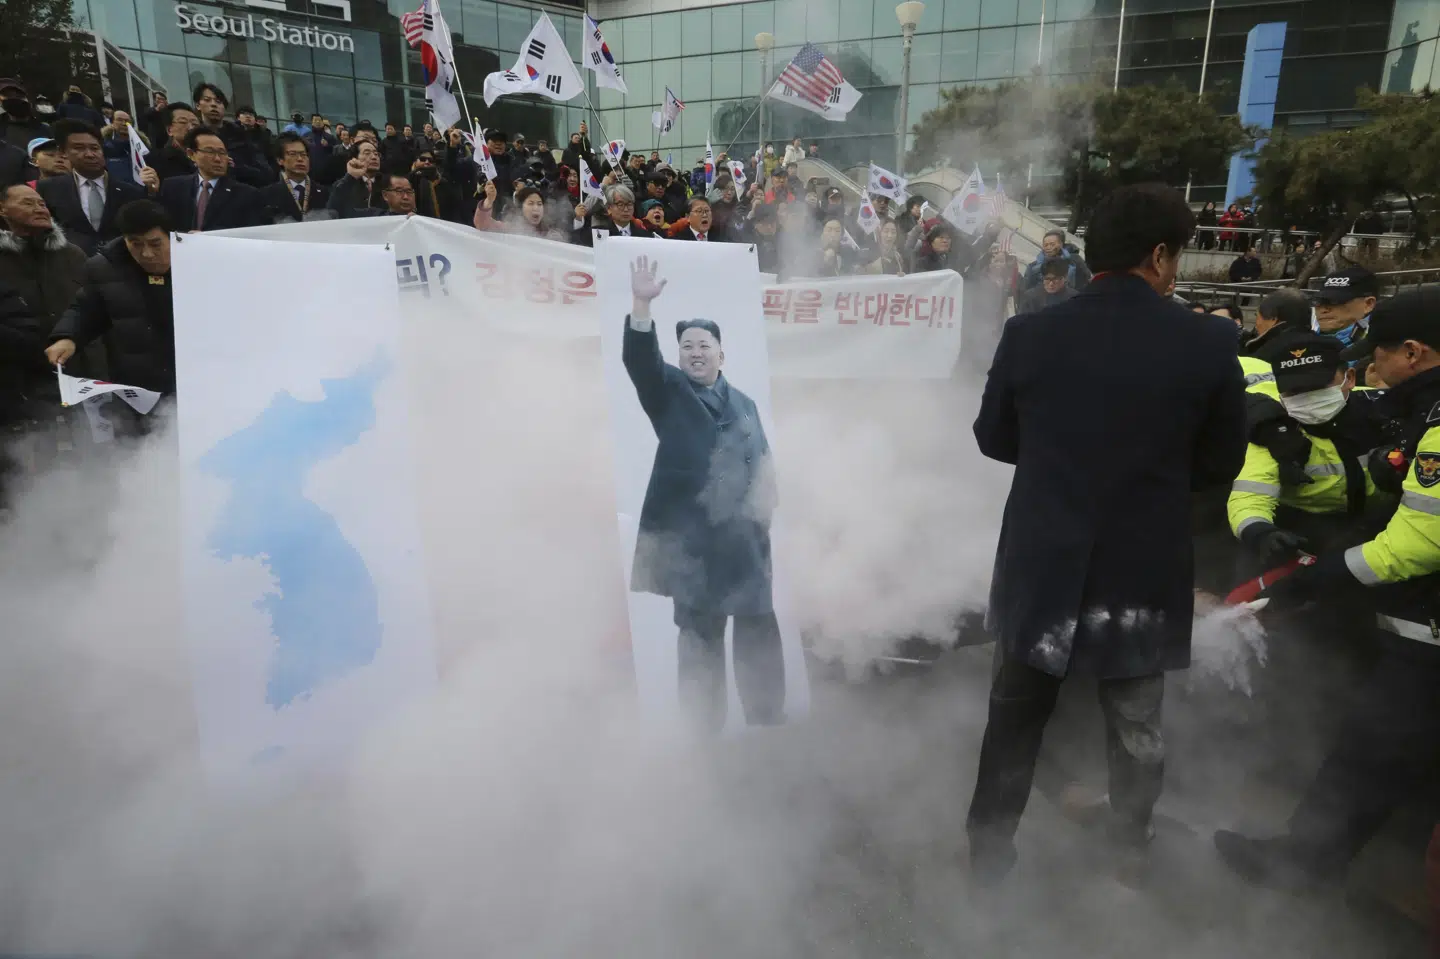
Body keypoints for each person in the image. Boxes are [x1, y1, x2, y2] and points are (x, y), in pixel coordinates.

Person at [967, 182, 1247, 884]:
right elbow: (1220, 464)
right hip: (1141, 569)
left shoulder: (1030, 332)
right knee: (1136, 725)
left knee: (1014, 718)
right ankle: (1129, 852)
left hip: (1042, 563)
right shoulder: (1210, 341)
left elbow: (994, 438)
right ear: (1160, 255)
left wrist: (1059, 460)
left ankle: (988, 858)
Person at [1213, 288, 1440, 891]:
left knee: (1375, 740)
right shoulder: (1409, 411)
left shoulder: (1412, 417)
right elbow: (1246, 390)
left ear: (1412, 353)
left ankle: (1305, 866)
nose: (1373, 368)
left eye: (1377, 356)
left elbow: (1416, 544)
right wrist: (1262, 529)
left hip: (1411, 611)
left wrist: (1319, 577)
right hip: (1376, 587)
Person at [621, 255, 783, 732]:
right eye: (687, 346)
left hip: (746, 546)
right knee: (699, 639)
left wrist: (765, 515)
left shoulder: (746, 403)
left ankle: (767, 722)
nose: (695, 352)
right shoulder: (668, 391)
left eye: (704, 345)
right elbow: (641, 362)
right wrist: (641, 305)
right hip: (693, 548)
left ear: (721, 355)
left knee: (758, 630)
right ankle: (702, 733)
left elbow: (764, 462)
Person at [46, 200, 176, 395]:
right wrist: (68, 337)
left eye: (155, 244)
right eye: (136, 244)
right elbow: (87, 308)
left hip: (193, 375)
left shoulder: (198, 261)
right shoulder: (105, 268)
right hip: (137, 382)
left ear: (171, 236)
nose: (147, 254)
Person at [36, 121, 151, 256]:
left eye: (95, 148)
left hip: (119, 260)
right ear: (63, 152)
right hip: (71, 262)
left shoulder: (130, 191)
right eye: (79, 148)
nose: (89, 154)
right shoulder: (49, 188)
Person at [157, 128, 266, 232]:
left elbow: (249, 234)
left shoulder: (247, 194)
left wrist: (207, 237)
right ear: (191, 154)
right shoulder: (172, 187)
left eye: (222, 153)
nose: (218, 159)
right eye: (210, 152)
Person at [192, 83, 272, 187]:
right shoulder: (191, 136)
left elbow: (266, 174)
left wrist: (234, 167)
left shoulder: (241, 136)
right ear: (198, 105)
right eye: (207, 100)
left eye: (218, 101)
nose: (213, 104)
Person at [259, 131, 329, 223]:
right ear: (280, 160)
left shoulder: (324, 192)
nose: (300, 159)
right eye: (292, 154)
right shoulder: (266, 195)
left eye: (303, 155)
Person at [1313, 265, 1378, 348]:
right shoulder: (1303, 341)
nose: (1323, 309)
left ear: (1368, 304)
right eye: (1318, 301)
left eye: (1334, 301)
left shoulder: (1385, 346)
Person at [573, 183, 652, 245]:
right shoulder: (597, 234)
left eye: (629, 204)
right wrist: (578, 218)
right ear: (609, 208)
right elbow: (574, 242)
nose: (626, 209)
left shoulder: (646, 237)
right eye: (620, 204)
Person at [326, 139, 385, 218]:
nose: (374, 157)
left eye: (376, 154)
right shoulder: (345, 184)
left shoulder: (388, 183)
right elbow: (333, 209)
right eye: (367, 153)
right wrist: (351, 177)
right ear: (354, 159)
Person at [1022, 229, 1091, 292]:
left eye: (1052, 244)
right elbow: (1026, 288)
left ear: (1061, 244)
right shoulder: (1033, 266)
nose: (1049, 247)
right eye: (1046, 245)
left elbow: (1087, 279)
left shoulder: (1075, 260)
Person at [148, 102, 200, 181]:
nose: (191, 127)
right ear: (169, 130)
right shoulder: (155, 161)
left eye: (195, 124)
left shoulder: (206, 157)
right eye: (183, 122)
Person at [0, 79, 52, 151]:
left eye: (18, 95)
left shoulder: (44, 129)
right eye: (8, 96)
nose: (14, 99)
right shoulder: (2, 128)